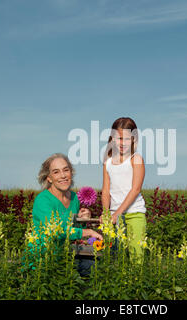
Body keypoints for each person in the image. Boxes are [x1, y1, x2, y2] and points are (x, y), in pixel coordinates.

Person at [24, 153, 102, 276]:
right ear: (48, 178)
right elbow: (56, 231)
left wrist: (83, 219)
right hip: (43, 260)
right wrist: (88, 231)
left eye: (66, 170)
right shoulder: (43, 200)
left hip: (67, 256)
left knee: (96, 266)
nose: (63, 175)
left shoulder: (74, 198)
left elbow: (73, 232)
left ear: (71, 173)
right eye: (56, 172)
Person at [101, 117, 147, 263]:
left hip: (134, 213)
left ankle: (136, 283)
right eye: (119, 138)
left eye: (127, 139)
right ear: (112, 138)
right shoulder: (107, 162)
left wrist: (118, 214)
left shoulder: (136, 159)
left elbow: (135, 189)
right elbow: (105, 190)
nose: (123, 143)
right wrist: (106, 213)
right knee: (115, 255)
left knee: (136, 254)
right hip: (114, 215)